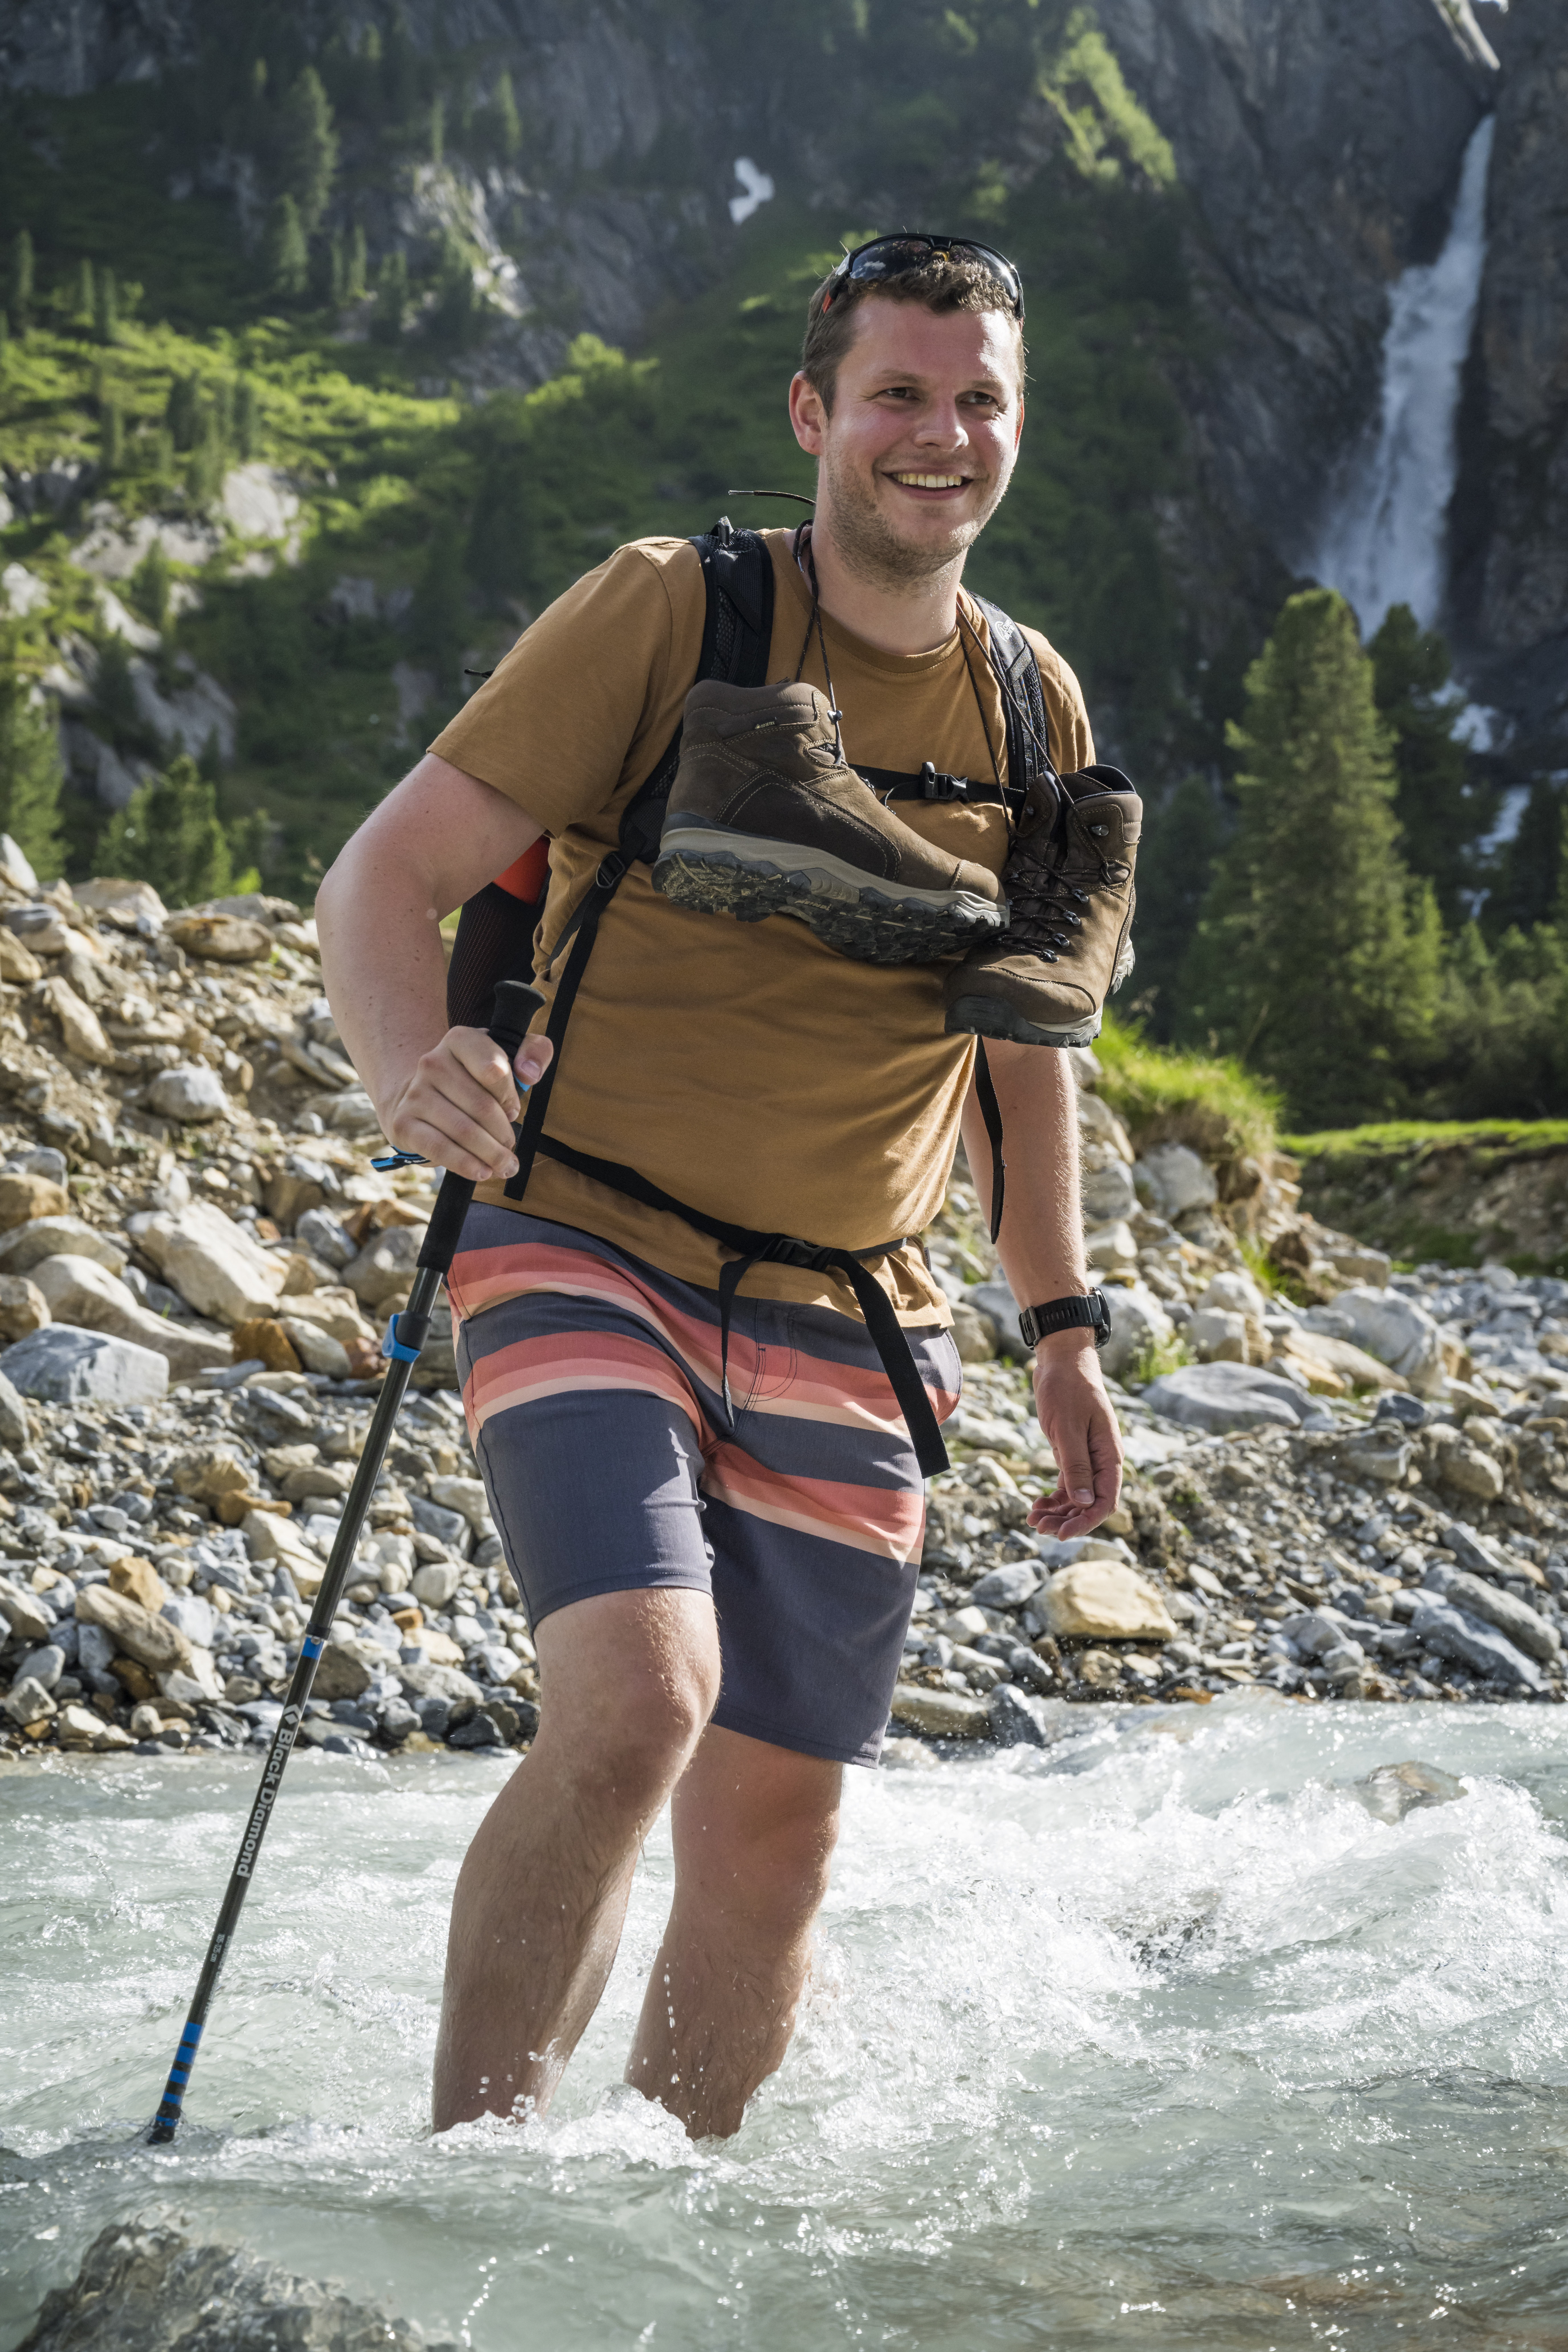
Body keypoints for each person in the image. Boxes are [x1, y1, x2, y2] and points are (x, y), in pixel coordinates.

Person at [315, 234, 1128, 2142]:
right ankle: (470, 2195)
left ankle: (657, 2248)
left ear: (1018, 424)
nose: (942, 436)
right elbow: (384, 875)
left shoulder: (1034, 710)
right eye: (901, 396)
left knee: (777, 1825)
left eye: (980, 399)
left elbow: (1028, 1048)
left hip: (856, 1305)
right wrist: (401, 1071)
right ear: (815, 414)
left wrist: (1066, 1327)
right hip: (581, 1229)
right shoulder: (671, 612)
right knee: (641, 1700)